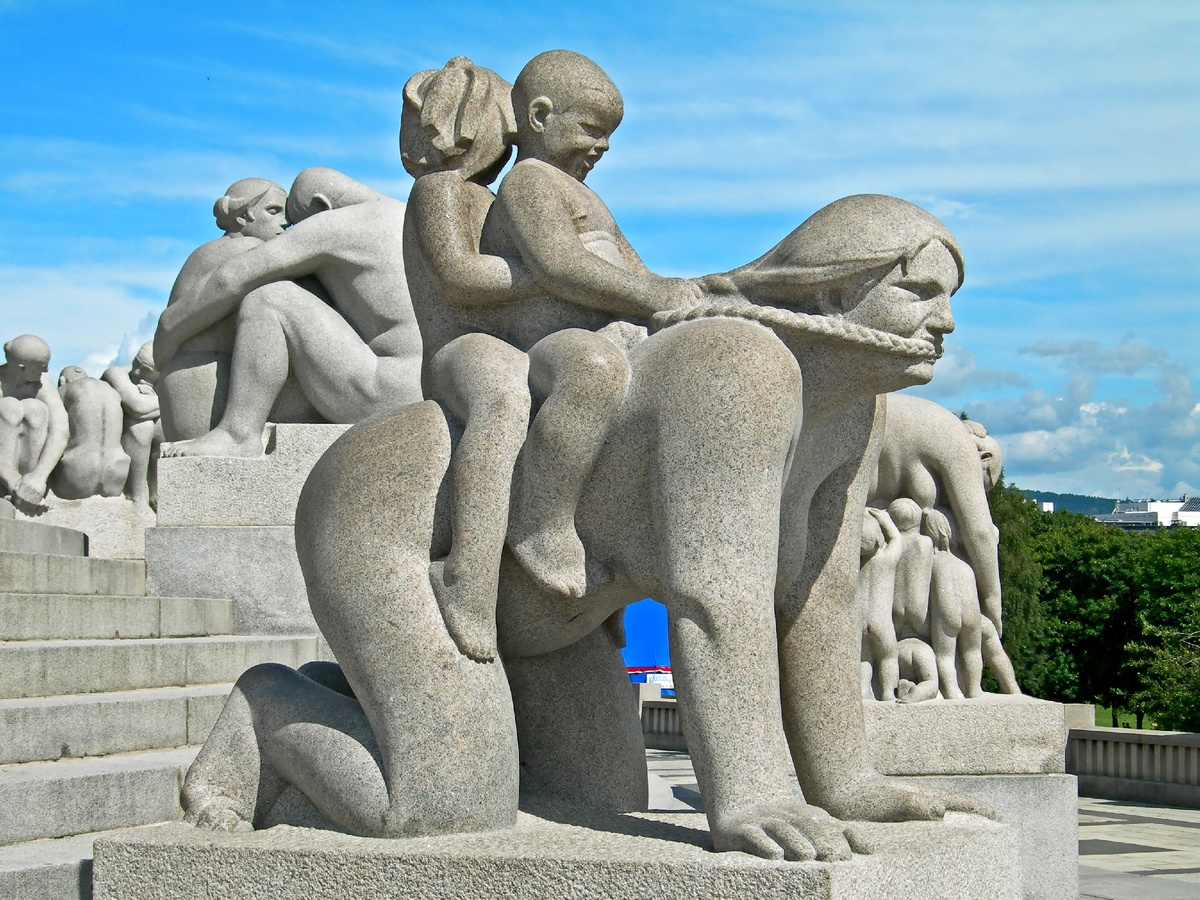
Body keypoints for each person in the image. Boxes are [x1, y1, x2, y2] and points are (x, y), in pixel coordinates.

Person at [403, 53, 719, 659]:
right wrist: (561, 272)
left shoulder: (549, 195)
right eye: (592, 131)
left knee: (611, 372)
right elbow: (460, 281)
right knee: (502, 396)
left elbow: (634, 274)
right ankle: (469, 572)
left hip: (524, 341)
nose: (601, 148)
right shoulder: (444, 194)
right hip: (465, 346)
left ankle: (604, 567)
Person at [156, 168, 423, 458]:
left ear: (321, 206)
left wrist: (168, 331)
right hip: (425, 386)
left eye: (296, 220)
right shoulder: (409, 216)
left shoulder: (337, 223)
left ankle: (239, 434)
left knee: (270, 298)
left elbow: (231, 278)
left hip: (385, 390)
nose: (288, 227)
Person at [155, 178, 292, 441]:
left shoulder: (207, 251)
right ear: (243, 215)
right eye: (273, 211)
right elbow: (170, 325)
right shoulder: (244, 248)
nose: (285, 222)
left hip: (188, 380)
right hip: (205, 383)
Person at [0, 335, 68, 513]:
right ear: (22, 368)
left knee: (35, 408)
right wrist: (12, 480)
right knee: (8, 407)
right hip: (5, 476)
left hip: (31, 476)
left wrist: (39, 476)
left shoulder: (42, 386)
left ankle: (28, 494)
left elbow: (60, 430)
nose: (44, 374)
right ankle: (12, 493)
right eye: (40, 370)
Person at [103, 342, 161, 511]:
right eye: (137, 363)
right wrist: (164, 402)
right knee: (141, 427)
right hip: (116, 439)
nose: (136, 371)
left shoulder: (166, 382)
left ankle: (156, 493)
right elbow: (137, 407)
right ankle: (136, 495)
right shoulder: (115, 373)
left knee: (163, 427)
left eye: (145, 370)